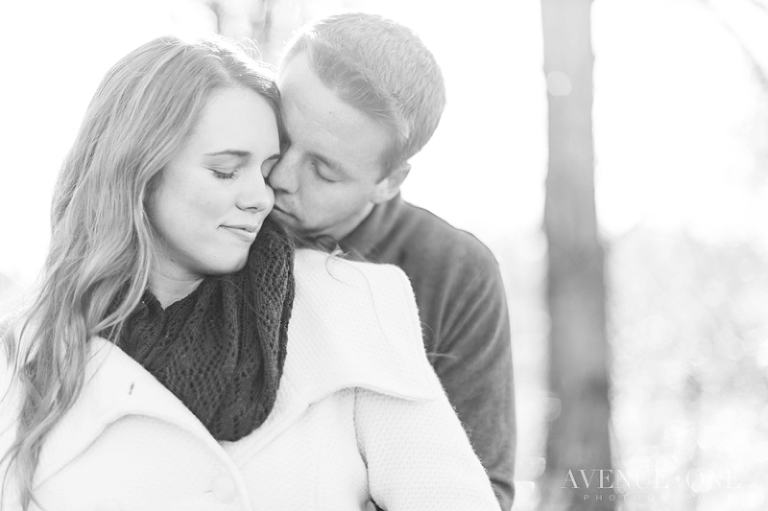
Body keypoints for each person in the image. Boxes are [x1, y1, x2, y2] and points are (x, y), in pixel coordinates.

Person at [0, 36, 500, 511]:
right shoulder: (28, 353)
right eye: (226, 171)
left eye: (264, 169)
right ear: (137, 169)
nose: (264, 195)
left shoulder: (349, 302)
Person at [267, 12, 516, 509]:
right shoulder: (210, 220)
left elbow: (482, 488)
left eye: (323, 171)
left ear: (389, 181)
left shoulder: (455, 272)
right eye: (281, 137)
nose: (279, 178)